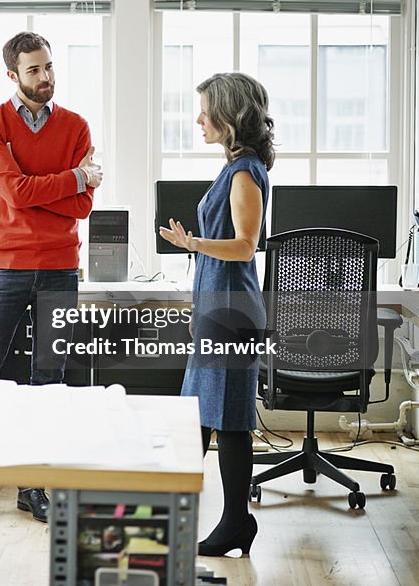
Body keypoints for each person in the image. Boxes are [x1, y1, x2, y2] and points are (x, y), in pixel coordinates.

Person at [0, 31, 102, 528]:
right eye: (34, 70)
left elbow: (81, 207)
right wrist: (75, 178)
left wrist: (53, 189)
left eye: (50, 67)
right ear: (12, 75)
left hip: (61, 265)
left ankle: (33, 486)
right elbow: (15, 194)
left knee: (49, 381)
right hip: (8, 265)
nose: (46, 78)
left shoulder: (76, 126)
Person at [158, 72, 274, 558]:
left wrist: (192, 243)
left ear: (230, 116)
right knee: (209, 415)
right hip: (218, 307)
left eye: (206, 110)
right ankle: (221, 520)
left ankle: (230, 522)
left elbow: (246, 246)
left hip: (231, 310)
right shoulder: (235, 168)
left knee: (223, 418)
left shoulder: (245, 172)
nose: (199, 119)